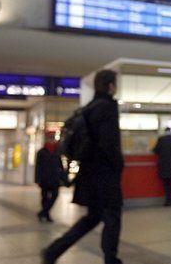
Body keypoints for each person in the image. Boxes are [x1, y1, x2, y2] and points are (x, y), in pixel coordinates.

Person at [43, 69, 124, 264]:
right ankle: (111, 259)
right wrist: (118, 165)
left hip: (88, 171)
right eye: (115, 83)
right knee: (113, 214)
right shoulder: (107, 107)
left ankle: (54, 251)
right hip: (104, 172)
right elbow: (108, 142)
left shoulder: (88, 108)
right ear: (110, 86)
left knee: (94, 216)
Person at [35, 133, 65, 222]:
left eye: (53, 138)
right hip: (44, 179)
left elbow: (61, 166)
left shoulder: (57, 151)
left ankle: (43, 212)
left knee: (55, 195)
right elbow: (38, 166)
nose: (51, 140)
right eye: (50, 138)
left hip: (55, 178)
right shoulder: (41, 152)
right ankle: (46, 215)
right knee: (45, 197)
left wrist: (62, 177)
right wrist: (37, 179)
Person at [153, 127, 171, 206]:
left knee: (166, 185)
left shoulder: (161, 139)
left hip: (164, 165)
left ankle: (168, 201)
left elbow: (155, 150)